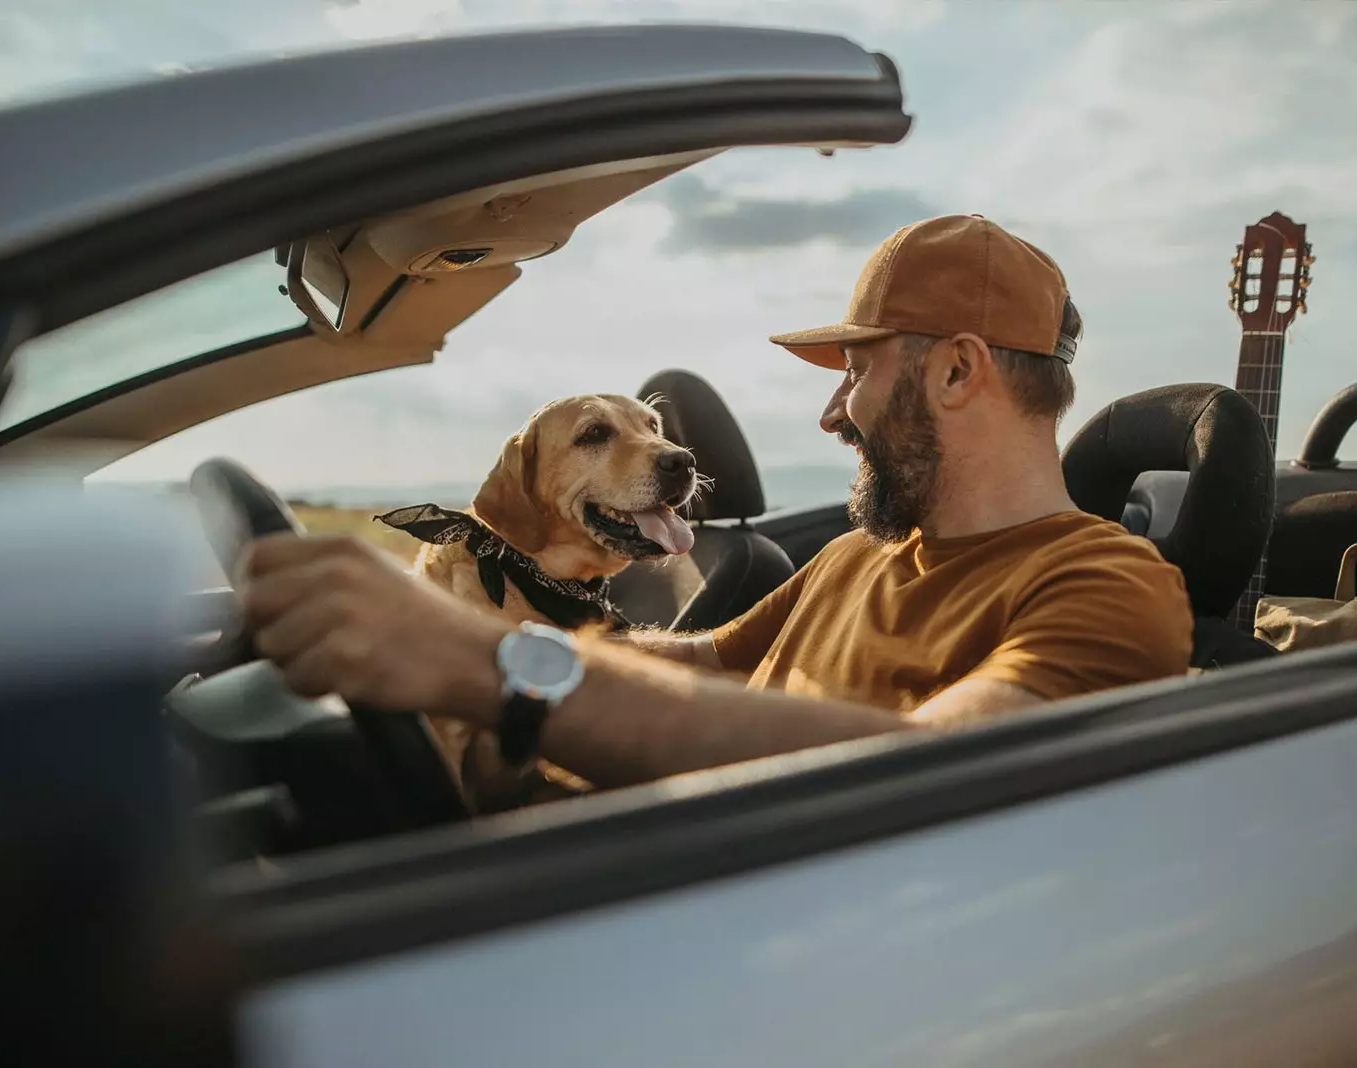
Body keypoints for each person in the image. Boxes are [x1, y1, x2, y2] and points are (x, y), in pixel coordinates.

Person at [240, 215, 1194, 790]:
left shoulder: (1106, 584)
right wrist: (486, 614)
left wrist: (489, 666)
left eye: (856, 371)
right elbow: (703, 661)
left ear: (955, 370)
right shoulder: (860, 554)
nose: (833, 413)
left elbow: (921, 772)